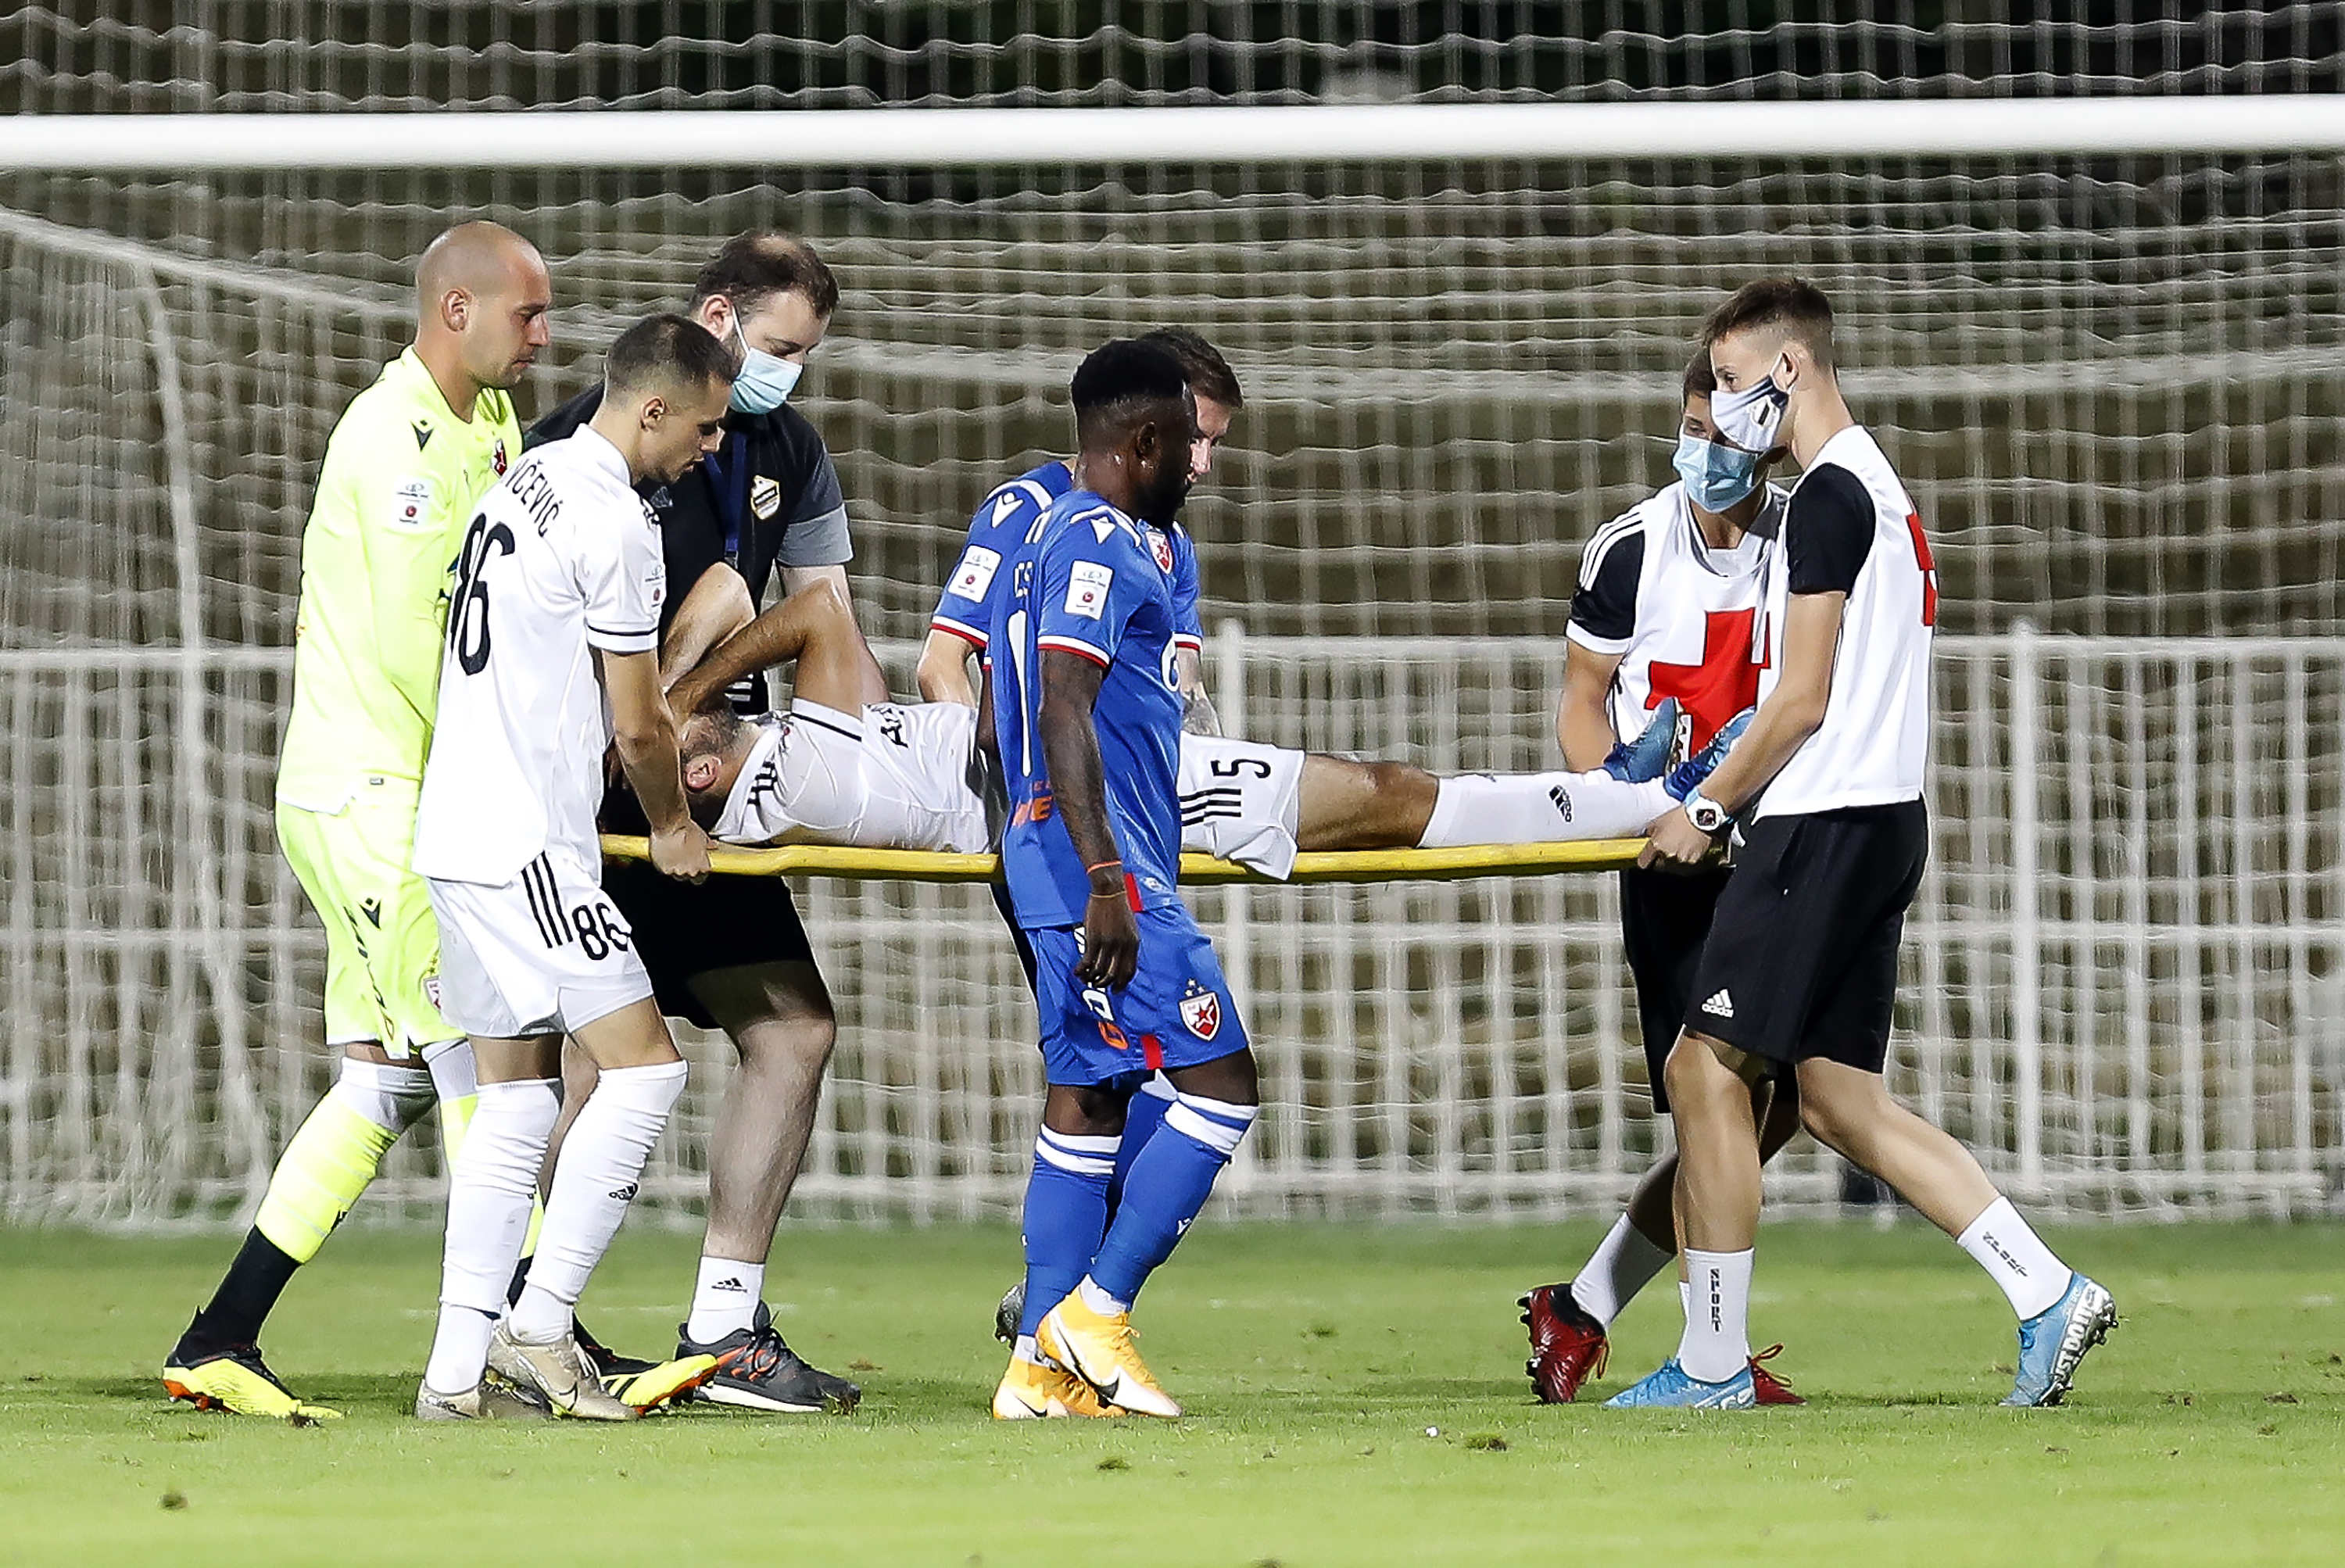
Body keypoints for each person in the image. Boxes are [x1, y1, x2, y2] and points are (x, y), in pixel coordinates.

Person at [1606, 277, 2117, 1410]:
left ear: (1788, 373)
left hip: (1823, 823)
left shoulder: (1829, 498)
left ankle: (1710, 1364)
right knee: (1838, 1102)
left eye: (1734, 384)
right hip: (1887, 818)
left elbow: (1799, 700)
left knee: (1704, 1070)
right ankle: (2048, 1290)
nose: (1725, 407)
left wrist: (1705, 808)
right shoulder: (1876, 486)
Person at [163, 222, 551, 1421]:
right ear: (454, 309)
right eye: (526, 314)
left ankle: (219, 1337)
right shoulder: (392, 441)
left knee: (385, 1085)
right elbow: (402, 648)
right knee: (489, 1061)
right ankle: (533, 1334)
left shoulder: (490, 424)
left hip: (402, 796)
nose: (543, 335)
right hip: (375, 795)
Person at [528, 231, 862, 1414]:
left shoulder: (794, 451)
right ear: (717, 317)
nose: (787, 380)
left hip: (700, 795)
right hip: (606, 796)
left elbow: (824, 609)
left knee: (793, 1030)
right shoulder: (581, 449)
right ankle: (531, 1324)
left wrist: (848, 758)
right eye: (777, 349)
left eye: (804, 357)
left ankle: (722, 1327)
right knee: (590, 1067)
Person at [409, 314, 729, 1421]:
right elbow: (639, 726)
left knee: (514, 1100)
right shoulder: (616, 522)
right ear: (652, 409)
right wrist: (673, 828)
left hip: (452, 831)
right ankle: (540, 1324)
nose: (711, 447)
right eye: (704, 425)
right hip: (527, 844)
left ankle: (454, 1375)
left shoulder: (528, 478)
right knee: (646, 1073)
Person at [661, 570, 1724, 866]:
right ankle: (1633, 799)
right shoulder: (783, 778)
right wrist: (677, 706)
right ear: (701, 777)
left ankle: (1619, 792)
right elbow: (809, 611)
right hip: (1077, 789)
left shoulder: (804, 744)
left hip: (1065, 756)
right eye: (676, 747)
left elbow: (726, 592)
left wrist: (668, 694)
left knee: (1381, 792)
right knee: (1382, 797)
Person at [1520, 353, 1808, 1405]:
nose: (1705, 452)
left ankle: (1588, 1303)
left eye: (1726, 433)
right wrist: (1618, 798)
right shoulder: (1631, 547)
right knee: (1716, 1104)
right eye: (1693, 427)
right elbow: (1582, 699)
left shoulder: (1802, 540)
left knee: (1793, 1101)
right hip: (1677, 865)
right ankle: (1709, 1354)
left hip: (1780, 855)